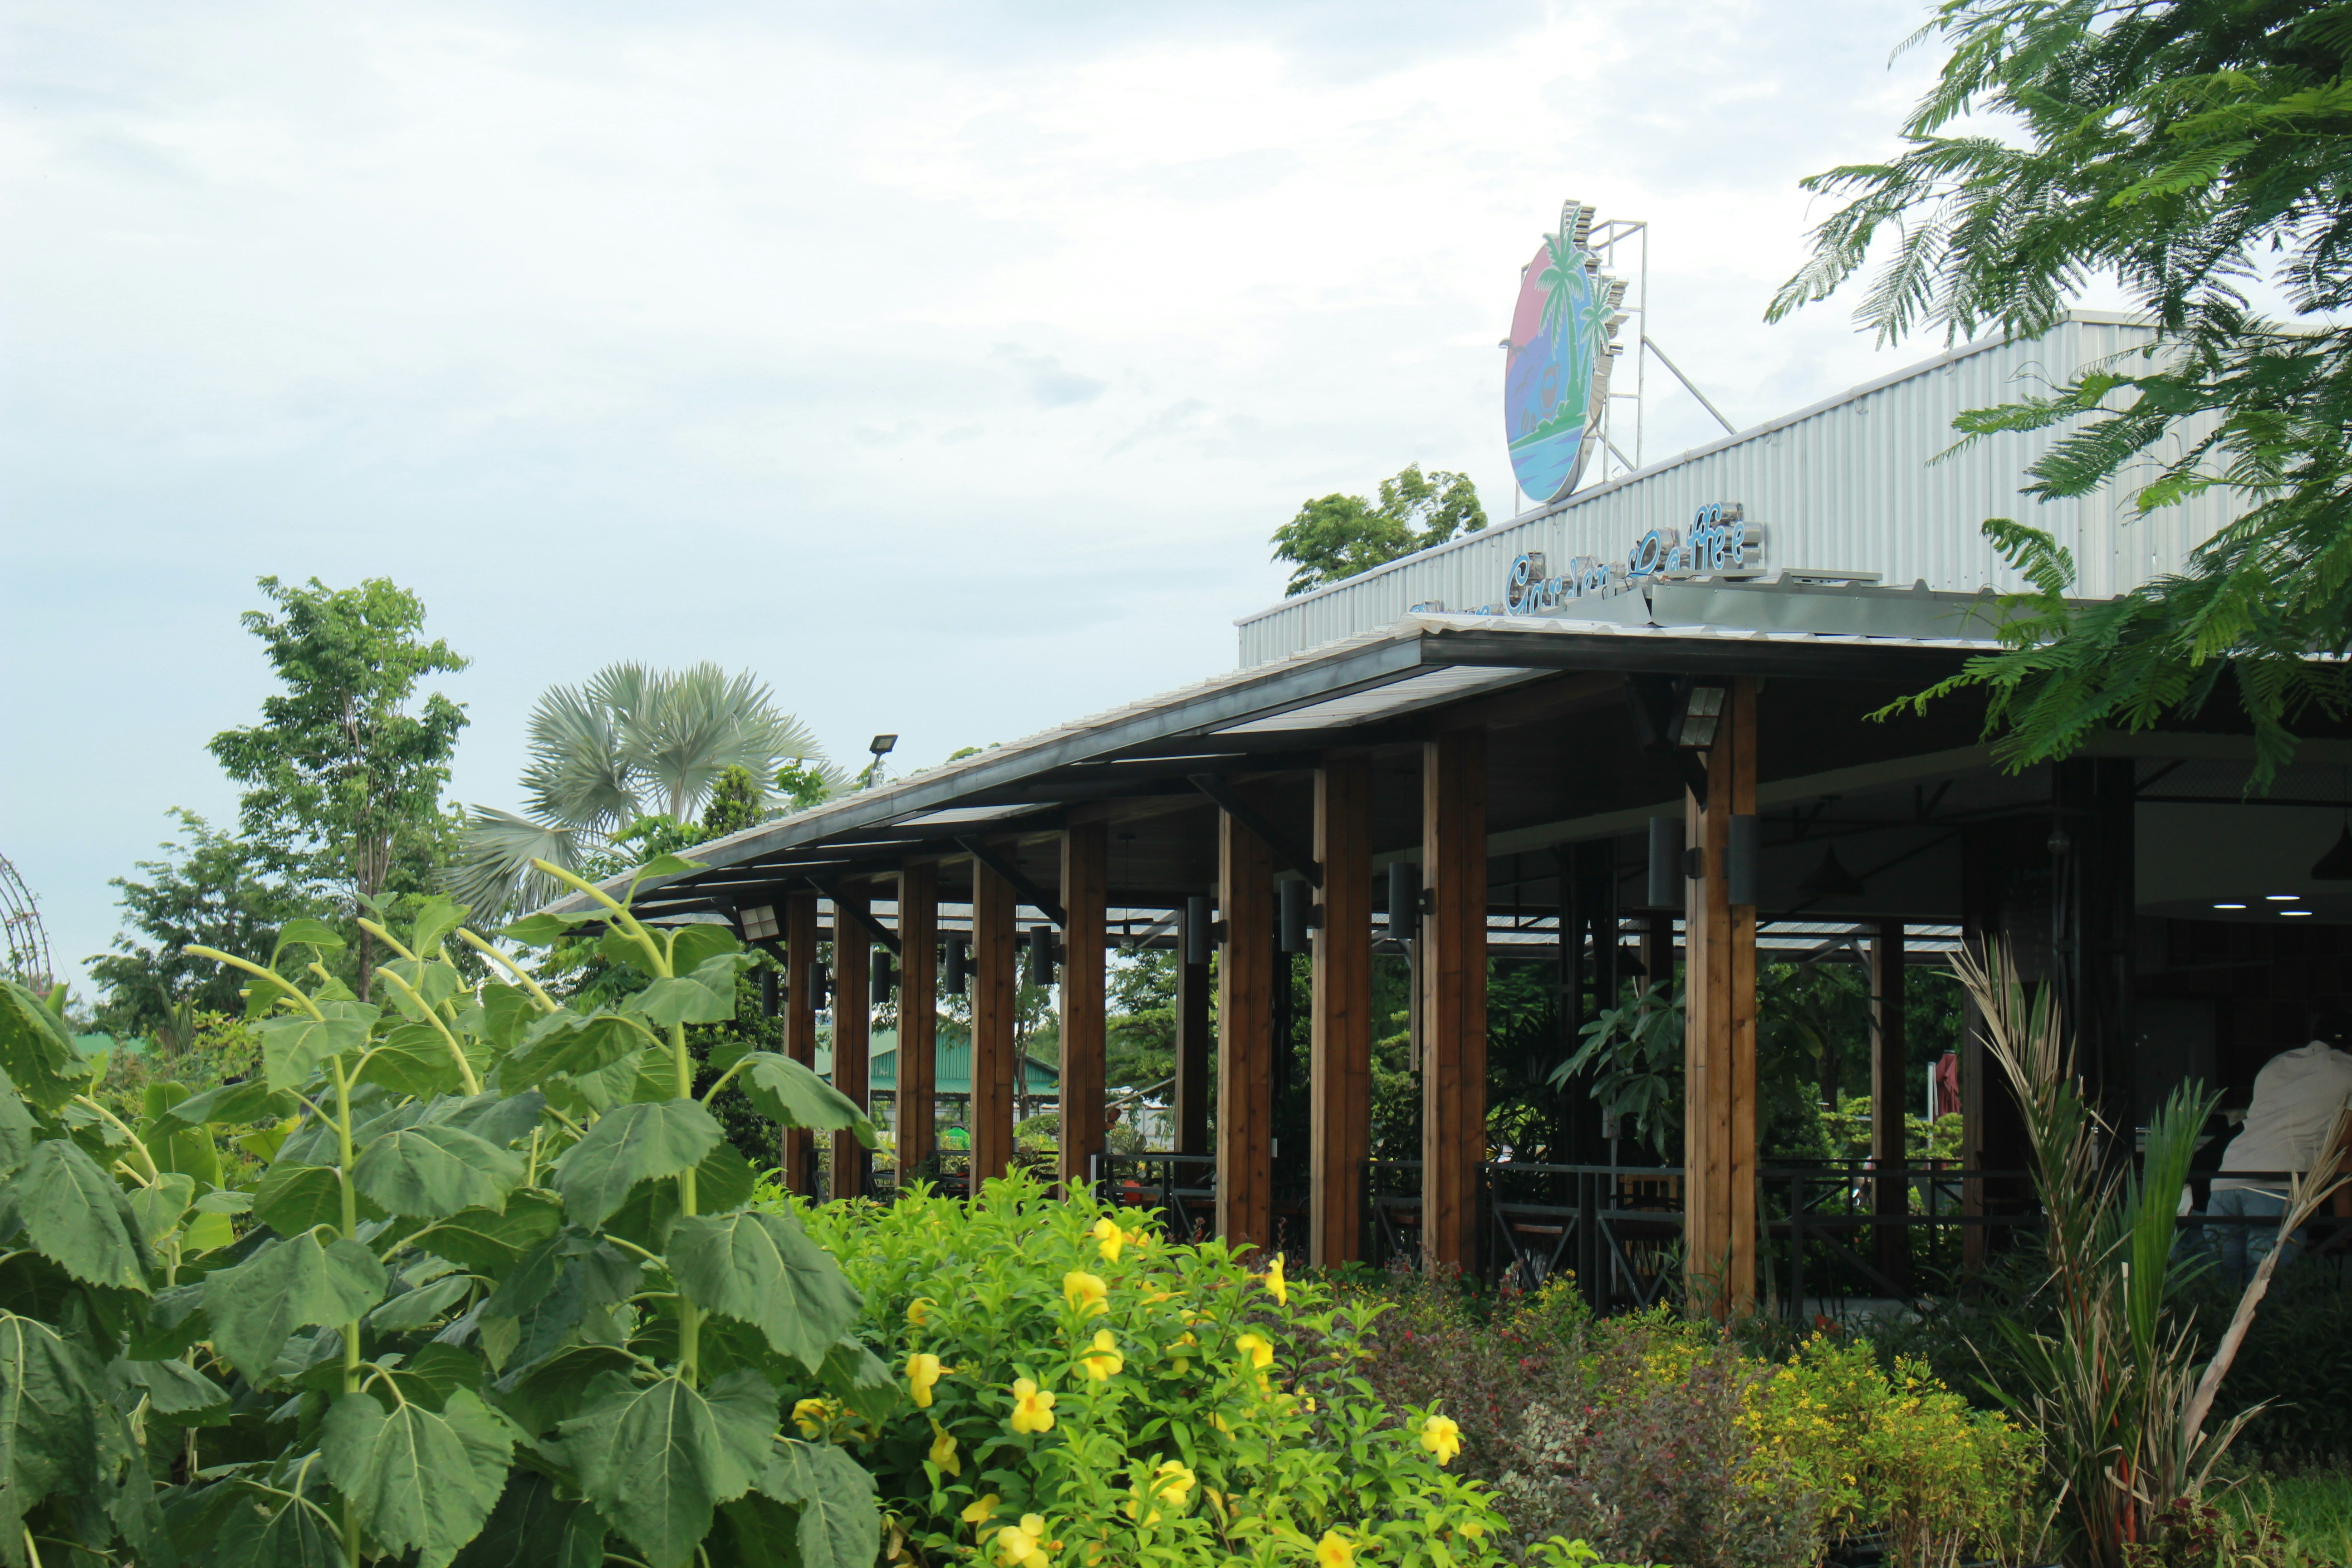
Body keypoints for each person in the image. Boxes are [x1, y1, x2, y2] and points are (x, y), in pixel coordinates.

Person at [2204, 1012, 2352, 1284]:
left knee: (2221, 1289)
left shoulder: (2278, 1064)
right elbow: (2344, 1155)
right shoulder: (2348, 1071)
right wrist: (2344, 1225)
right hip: (2277, 1187)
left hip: (2228, 1179)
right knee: (2268, 1292)